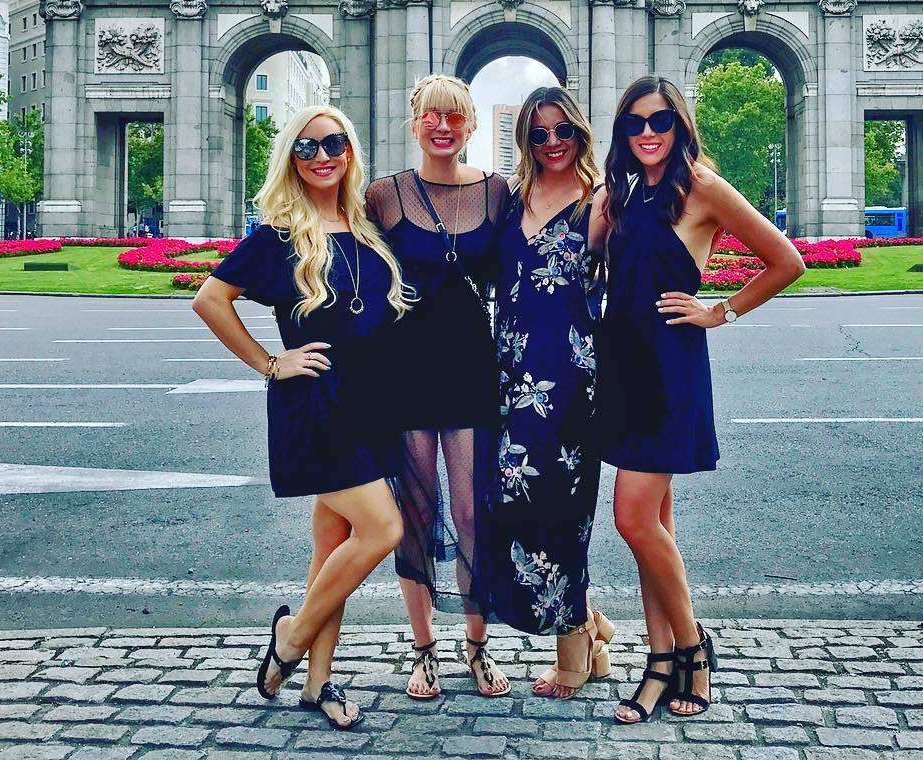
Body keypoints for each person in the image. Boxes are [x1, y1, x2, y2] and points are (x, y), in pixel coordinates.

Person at [192, 105, 412, 731]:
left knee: (333, 547)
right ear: (291, 157)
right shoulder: (279, 234)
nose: (322, 156)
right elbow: (210, 300)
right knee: (382, 529)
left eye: (333, 143)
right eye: (307, 147)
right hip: (318, 406)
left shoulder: (367, 224)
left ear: (350, 150)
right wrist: (270, 362)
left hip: (370, 405)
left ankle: (317, 684)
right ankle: (289, 638)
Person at [596, 76, 805, 724]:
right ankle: (660, 664)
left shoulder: (702, 187)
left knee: (633, 519)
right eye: (634, 123)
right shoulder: (626, 191)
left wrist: (721, 311)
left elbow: (786, 261)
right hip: (623, 366)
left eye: (659, 120)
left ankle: (692, 647)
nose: (647, 132)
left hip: (670, 367)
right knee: (653, 530)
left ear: (680, 125)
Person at [365, 74, 511, 700]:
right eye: (432, 115)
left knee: (473, 513)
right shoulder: (384, 195)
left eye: (455, 116)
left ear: (471, 124)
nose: (443, 126)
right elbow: (350, 268)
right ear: (415, 121)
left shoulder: (497, 192)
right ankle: (423, 648)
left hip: (472, 368)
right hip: (406, 370)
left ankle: (477, 646)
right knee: (416, 513)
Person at [483, 85, 615, 698]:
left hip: (570, 378)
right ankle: (586, 621)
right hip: (508, 374)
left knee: (562, 507)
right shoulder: (510, 197)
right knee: (513, 501)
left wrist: (712, 309)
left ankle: (573, 656)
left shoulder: (602, 199)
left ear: (579, 132)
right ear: (526, 140)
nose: (553, 142)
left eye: (563, 130)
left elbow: (652, 257)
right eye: (539, 133)